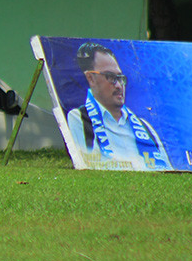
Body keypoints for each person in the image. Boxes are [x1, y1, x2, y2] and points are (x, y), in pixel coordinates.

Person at [66, 42, 171, 170]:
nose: (118, 85)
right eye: (110, 77)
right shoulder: (80, 119)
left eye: (120, 78)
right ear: (91, 78)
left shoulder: (145, 128)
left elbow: (167, 170)